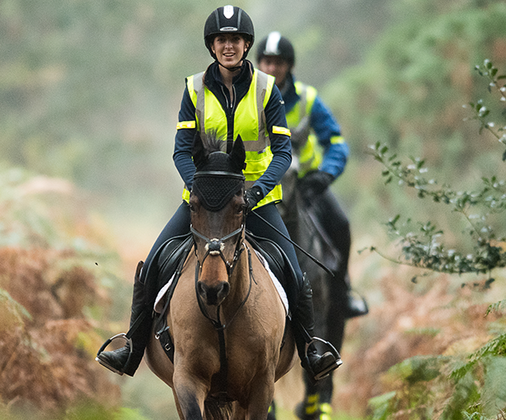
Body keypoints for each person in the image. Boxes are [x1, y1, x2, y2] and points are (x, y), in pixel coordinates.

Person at [96, 5, 342, 382]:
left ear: (246, 45)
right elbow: (181, 149)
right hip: (203, 201)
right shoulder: (193, 89)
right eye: (222, 40)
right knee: (152, 264)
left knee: (294, 271)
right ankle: (130, 346)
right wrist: (197, 186)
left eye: (236, 40)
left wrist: (259, 189)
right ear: (212, 45)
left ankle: (311, 349)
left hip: (255, 200)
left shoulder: (266, 89)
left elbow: (283, 152)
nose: (229, 46)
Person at [256, 31, 368, 319]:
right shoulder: (244, 98)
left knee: (341, 225)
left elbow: (336, 143)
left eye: (278, 63)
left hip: (306, 186)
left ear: (289, 66)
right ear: (258, 64)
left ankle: (342, 295)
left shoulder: (308, 99)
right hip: (259, 185)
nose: (272, 69)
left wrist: (325, 176)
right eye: (266, 62)